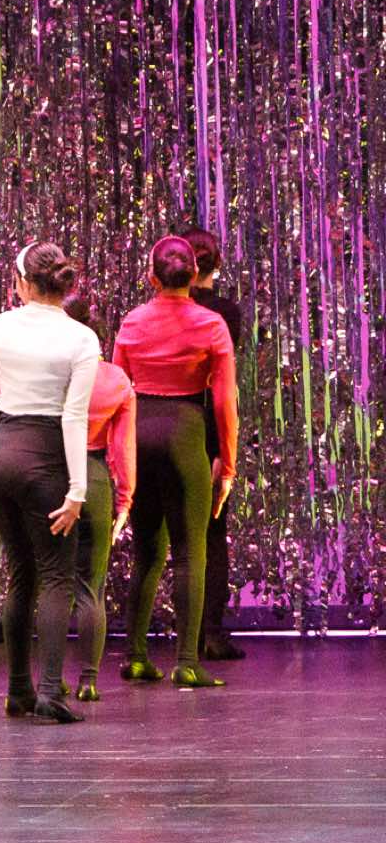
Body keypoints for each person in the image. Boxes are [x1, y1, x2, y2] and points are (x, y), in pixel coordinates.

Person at [0, 240, 100, 723]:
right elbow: (74, 417)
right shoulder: (81, 338)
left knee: (21, 574)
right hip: (44, 457)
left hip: (0, 452)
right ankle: (49, 691)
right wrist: (78, 489)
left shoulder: (1, 326)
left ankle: (19, 690)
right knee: (57, 576)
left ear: (23, 283)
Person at [115, 235, 239, 689]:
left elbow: (116, 389)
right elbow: (224, 402)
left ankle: (135, 656)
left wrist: (117, 458)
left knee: (147, 551)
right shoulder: (211, 324)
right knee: (191, 552)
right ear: (194, 275)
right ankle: (187, 660)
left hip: (139, 430)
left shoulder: (132, 321)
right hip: (186, 430)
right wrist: (228, 463)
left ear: (152, 277)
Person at [66, 295, 136, 703]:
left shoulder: (47, 376)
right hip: (94, 478)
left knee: (49, 584)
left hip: (50, 473)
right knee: (90, 587)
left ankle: (47, 679)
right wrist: (124, 499)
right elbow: (123, 449)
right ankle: (88, 679)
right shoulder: (115, 379)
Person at [182, 227, 247, 661]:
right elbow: (222, 386)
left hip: (164, 423)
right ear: (216, 264)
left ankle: (176, 635)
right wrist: (225, 449)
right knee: (212, 531)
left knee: (166, 535)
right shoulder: (225, 314)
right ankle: (211, 631)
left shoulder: (157, 313)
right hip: (207, 426)